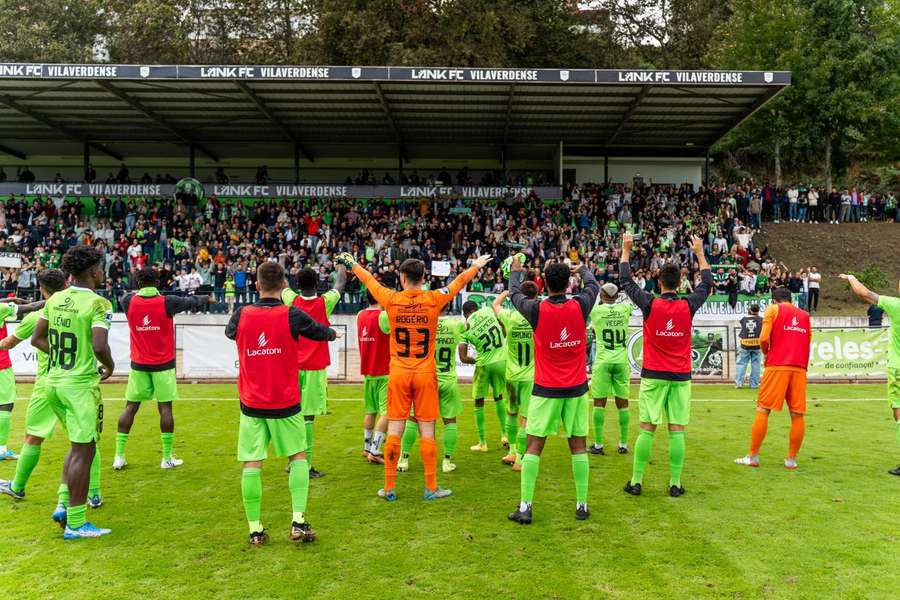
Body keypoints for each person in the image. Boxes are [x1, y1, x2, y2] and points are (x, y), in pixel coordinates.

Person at [339, 252, 491, 502]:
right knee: (428, 431)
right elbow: (459, 282)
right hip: (424, 374)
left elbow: (369, 281)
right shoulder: (433, 298)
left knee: (395, 429)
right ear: (424, 278)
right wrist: (475, 265)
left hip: (398, 373)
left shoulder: (390, 298)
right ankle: (431, 487)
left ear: (401, 277)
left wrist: (353, 264)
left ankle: (389, 488)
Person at [225, 261, 339, 545]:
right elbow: (321, 331)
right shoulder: (292, 315)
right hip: (285, 402)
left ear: (257, 284)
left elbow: (230, 333)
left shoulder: (242, 314)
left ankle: (255, 529)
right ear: (284, 284)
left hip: (251, 402)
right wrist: (332, 333)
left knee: (252, 463)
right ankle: (298, 522)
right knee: (298, 457)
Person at [506, 257, 599, 524]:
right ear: (569, 282)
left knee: (534, 445)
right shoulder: (581, 305)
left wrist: (516, 271)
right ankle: (581, 505)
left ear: (544, 283)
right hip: (576, 389)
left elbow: (514, 294)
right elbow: (592, 284)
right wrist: (581, 269)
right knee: (578, 445)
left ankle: (526, 507)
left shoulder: (536, 310)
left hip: (546, 389)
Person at [620, 232, 713, 497]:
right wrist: (699, 253)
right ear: (680, 282)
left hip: (654, 374)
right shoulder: (688, 304)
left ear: (658, 282)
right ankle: (675, 484)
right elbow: (706, 284)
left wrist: (626, 250)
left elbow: (626, 281)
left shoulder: (650, 303)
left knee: (648, 428)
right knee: (676, 430)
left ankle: (636, 481)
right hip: (681, 376)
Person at [31, 245, 115, 539]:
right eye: (101, 268)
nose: (102, 272)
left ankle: (63, 504)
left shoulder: (54, 300)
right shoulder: (99, 304)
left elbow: (36, 338)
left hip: (53, 382)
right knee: (85, 449)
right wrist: (110, 366)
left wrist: (63, 358)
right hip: (79, 387)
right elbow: (99, 345)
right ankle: (76, 525)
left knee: (76, 446)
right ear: (93, 271)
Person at [113, 267, 212, 471]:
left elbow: (128, 298)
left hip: (139, 364)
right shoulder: (167, 302)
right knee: (165, 409)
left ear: (137, 283)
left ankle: (119, 456)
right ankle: (166, 458)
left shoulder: (127, 301)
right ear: (157, 282)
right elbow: (191, 302)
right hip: (163, 365)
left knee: (130, 407)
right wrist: (206, 298)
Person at [0, 271, 66, 500]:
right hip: (74, 380)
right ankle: (94, 494)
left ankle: (17, 485)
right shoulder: (86, 308)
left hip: (47, 381)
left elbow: (12, 314)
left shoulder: (16, 311)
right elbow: (22, 309)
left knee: (32, 433)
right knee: (85, 441)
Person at [281, 265, 347, 478]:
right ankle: (305, 465)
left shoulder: (292, 300)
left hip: (292, 367)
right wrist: (342, 266)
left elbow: (281, 283)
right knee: (307, 417)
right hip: (314, 367)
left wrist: (282, 263)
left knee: (293, 415)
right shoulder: (324, 302)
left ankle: (293, 460)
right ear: (317, 283)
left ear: (296, 283)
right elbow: (340, 283)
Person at [735, 288, 811, 470]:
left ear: (774, 300)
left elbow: (763, 338)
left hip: (777, 365)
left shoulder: (773, 310)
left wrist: (767, 354)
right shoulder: (805, 315)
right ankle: (791, 460)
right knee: (797, 414)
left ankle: (752, 456)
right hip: (799, 368)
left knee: (763, 409)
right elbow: (808, 341)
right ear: (791, 299)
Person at [840, 273, 900, 475]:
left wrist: (851, 277)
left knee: (899, 414)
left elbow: (862, 292)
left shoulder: (896, 305)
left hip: (898, 369)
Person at [493, 286, 537, 469]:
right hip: (530, 376)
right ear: (535, 297)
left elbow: (495, 304)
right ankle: (519, 458)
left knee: (511, 414)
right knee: (525, 418)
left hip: (511, 375)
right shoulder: (538, 317)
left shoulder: (509, 317)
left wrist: (507, 292)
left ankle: (511, 452)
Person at [587, 283, 633, 456]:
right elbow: (628, 303)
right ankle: (623, 444)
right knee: (623, 403)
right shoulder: (625, 308)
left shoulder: (596, 311)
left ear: (601, 295)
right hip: (621, 361)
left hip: (603, 361)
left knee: (599, 402)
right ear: (617, 296)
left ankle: (598, 445)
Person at [0, 295, 46, 461]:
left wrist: (7, 300)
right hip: (1, 365)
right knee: (5, 404)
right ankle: (1, 449)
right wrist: (54, 299)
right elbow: (32, 307)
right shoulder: (2, 309)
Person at [460, 300, 507, 452]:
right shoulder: (487, 310)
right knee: (499, 397)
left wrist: (477, 359)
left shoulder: (465, 327)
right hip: (502, 360)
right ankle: (505, 435)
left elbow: (463, 358)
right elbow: (503, 329)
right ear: (477, 308)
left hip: (484, 364)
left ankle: (482, 443)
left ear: (465, 314)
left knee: (479, 401)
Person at [357, 285, 391, 465]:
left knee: (370, 411)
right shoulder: (384, 316)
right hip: (384, 371)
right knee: (387, 413)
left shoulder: (360, 315)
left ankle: (366, 447)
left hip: (368, 372)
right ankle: (376, 451)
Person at [735, 304, 763, 389]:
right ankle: (754, 385)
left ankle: (739, 383)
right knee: (756, 365)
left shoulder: (743, 319)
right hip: (757, 345)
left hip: (745, 344)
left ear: (750, 310)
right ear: (758, 310)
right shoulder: (762, 319)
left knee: (741, 364)